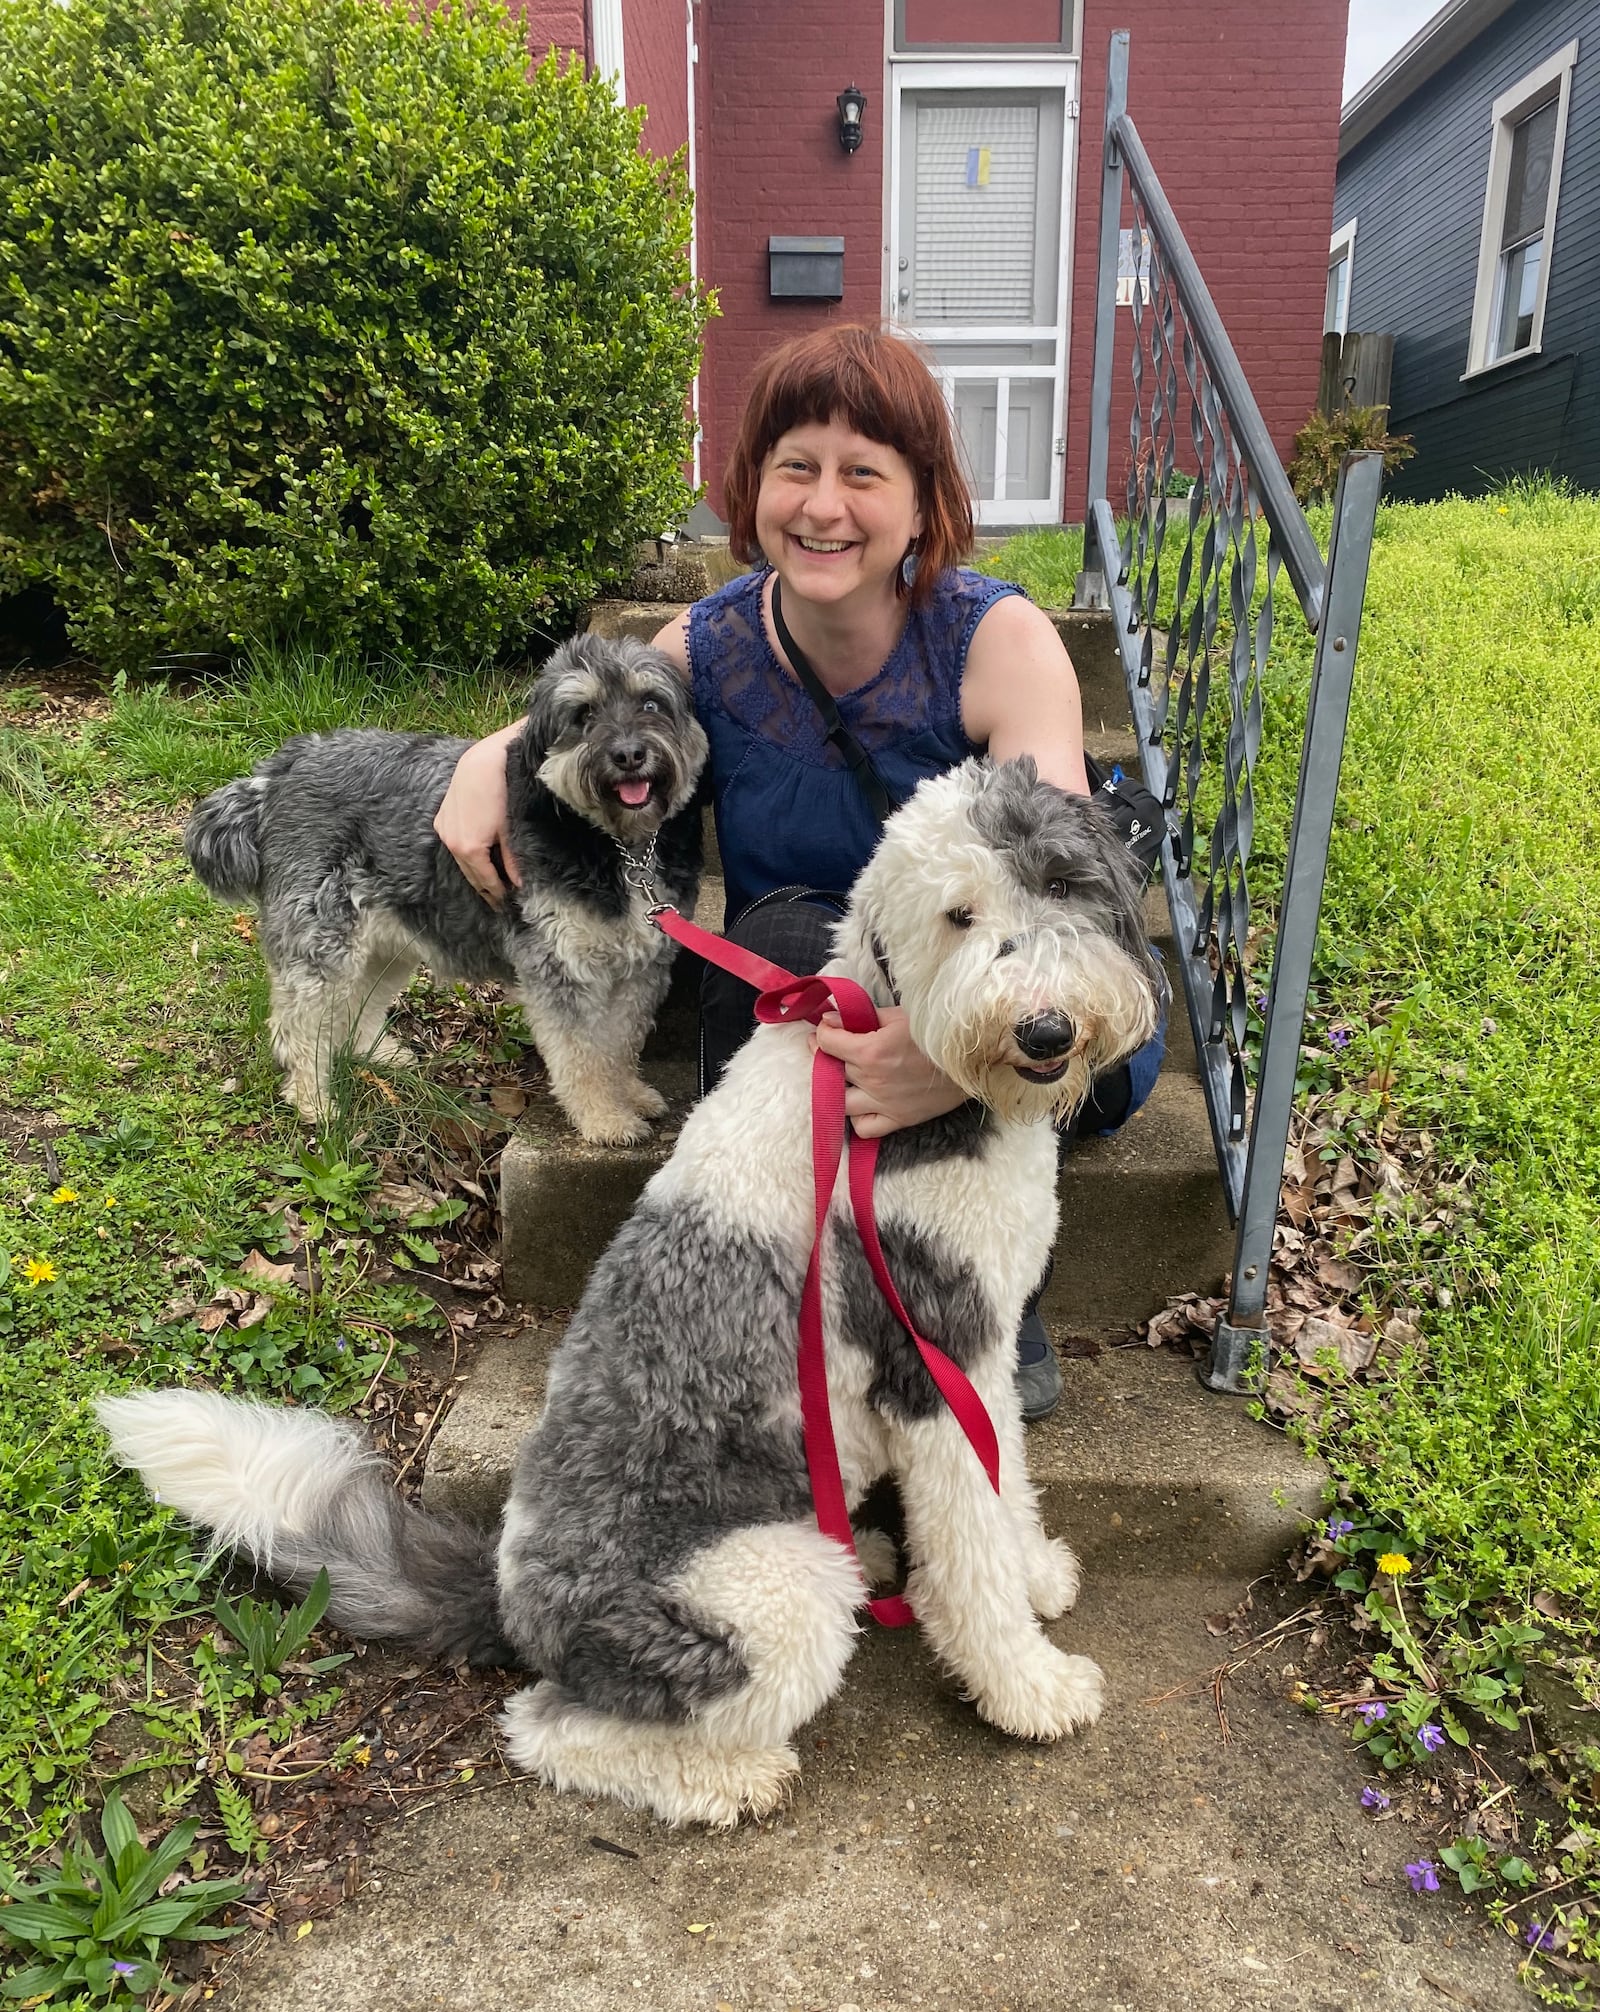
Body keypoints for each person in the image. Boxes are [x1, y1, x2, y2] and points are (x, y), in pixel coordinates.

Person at [435, 324, 1163, 1415]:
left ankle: (977, 1298)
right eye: (795, 468)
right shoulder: (719, 642)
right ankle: (787, 1288)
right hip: (820, 1000)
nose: (823, 507)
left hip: (1015, 996)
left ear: (922, 501)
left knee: (931, 987)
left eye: (863, 473)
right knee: (778, 941)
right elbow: (590, 707)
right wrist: (487, 763)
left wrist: (943, 1050)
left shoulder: (997, 641)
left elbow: (1056, 891)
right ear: (753, 486)